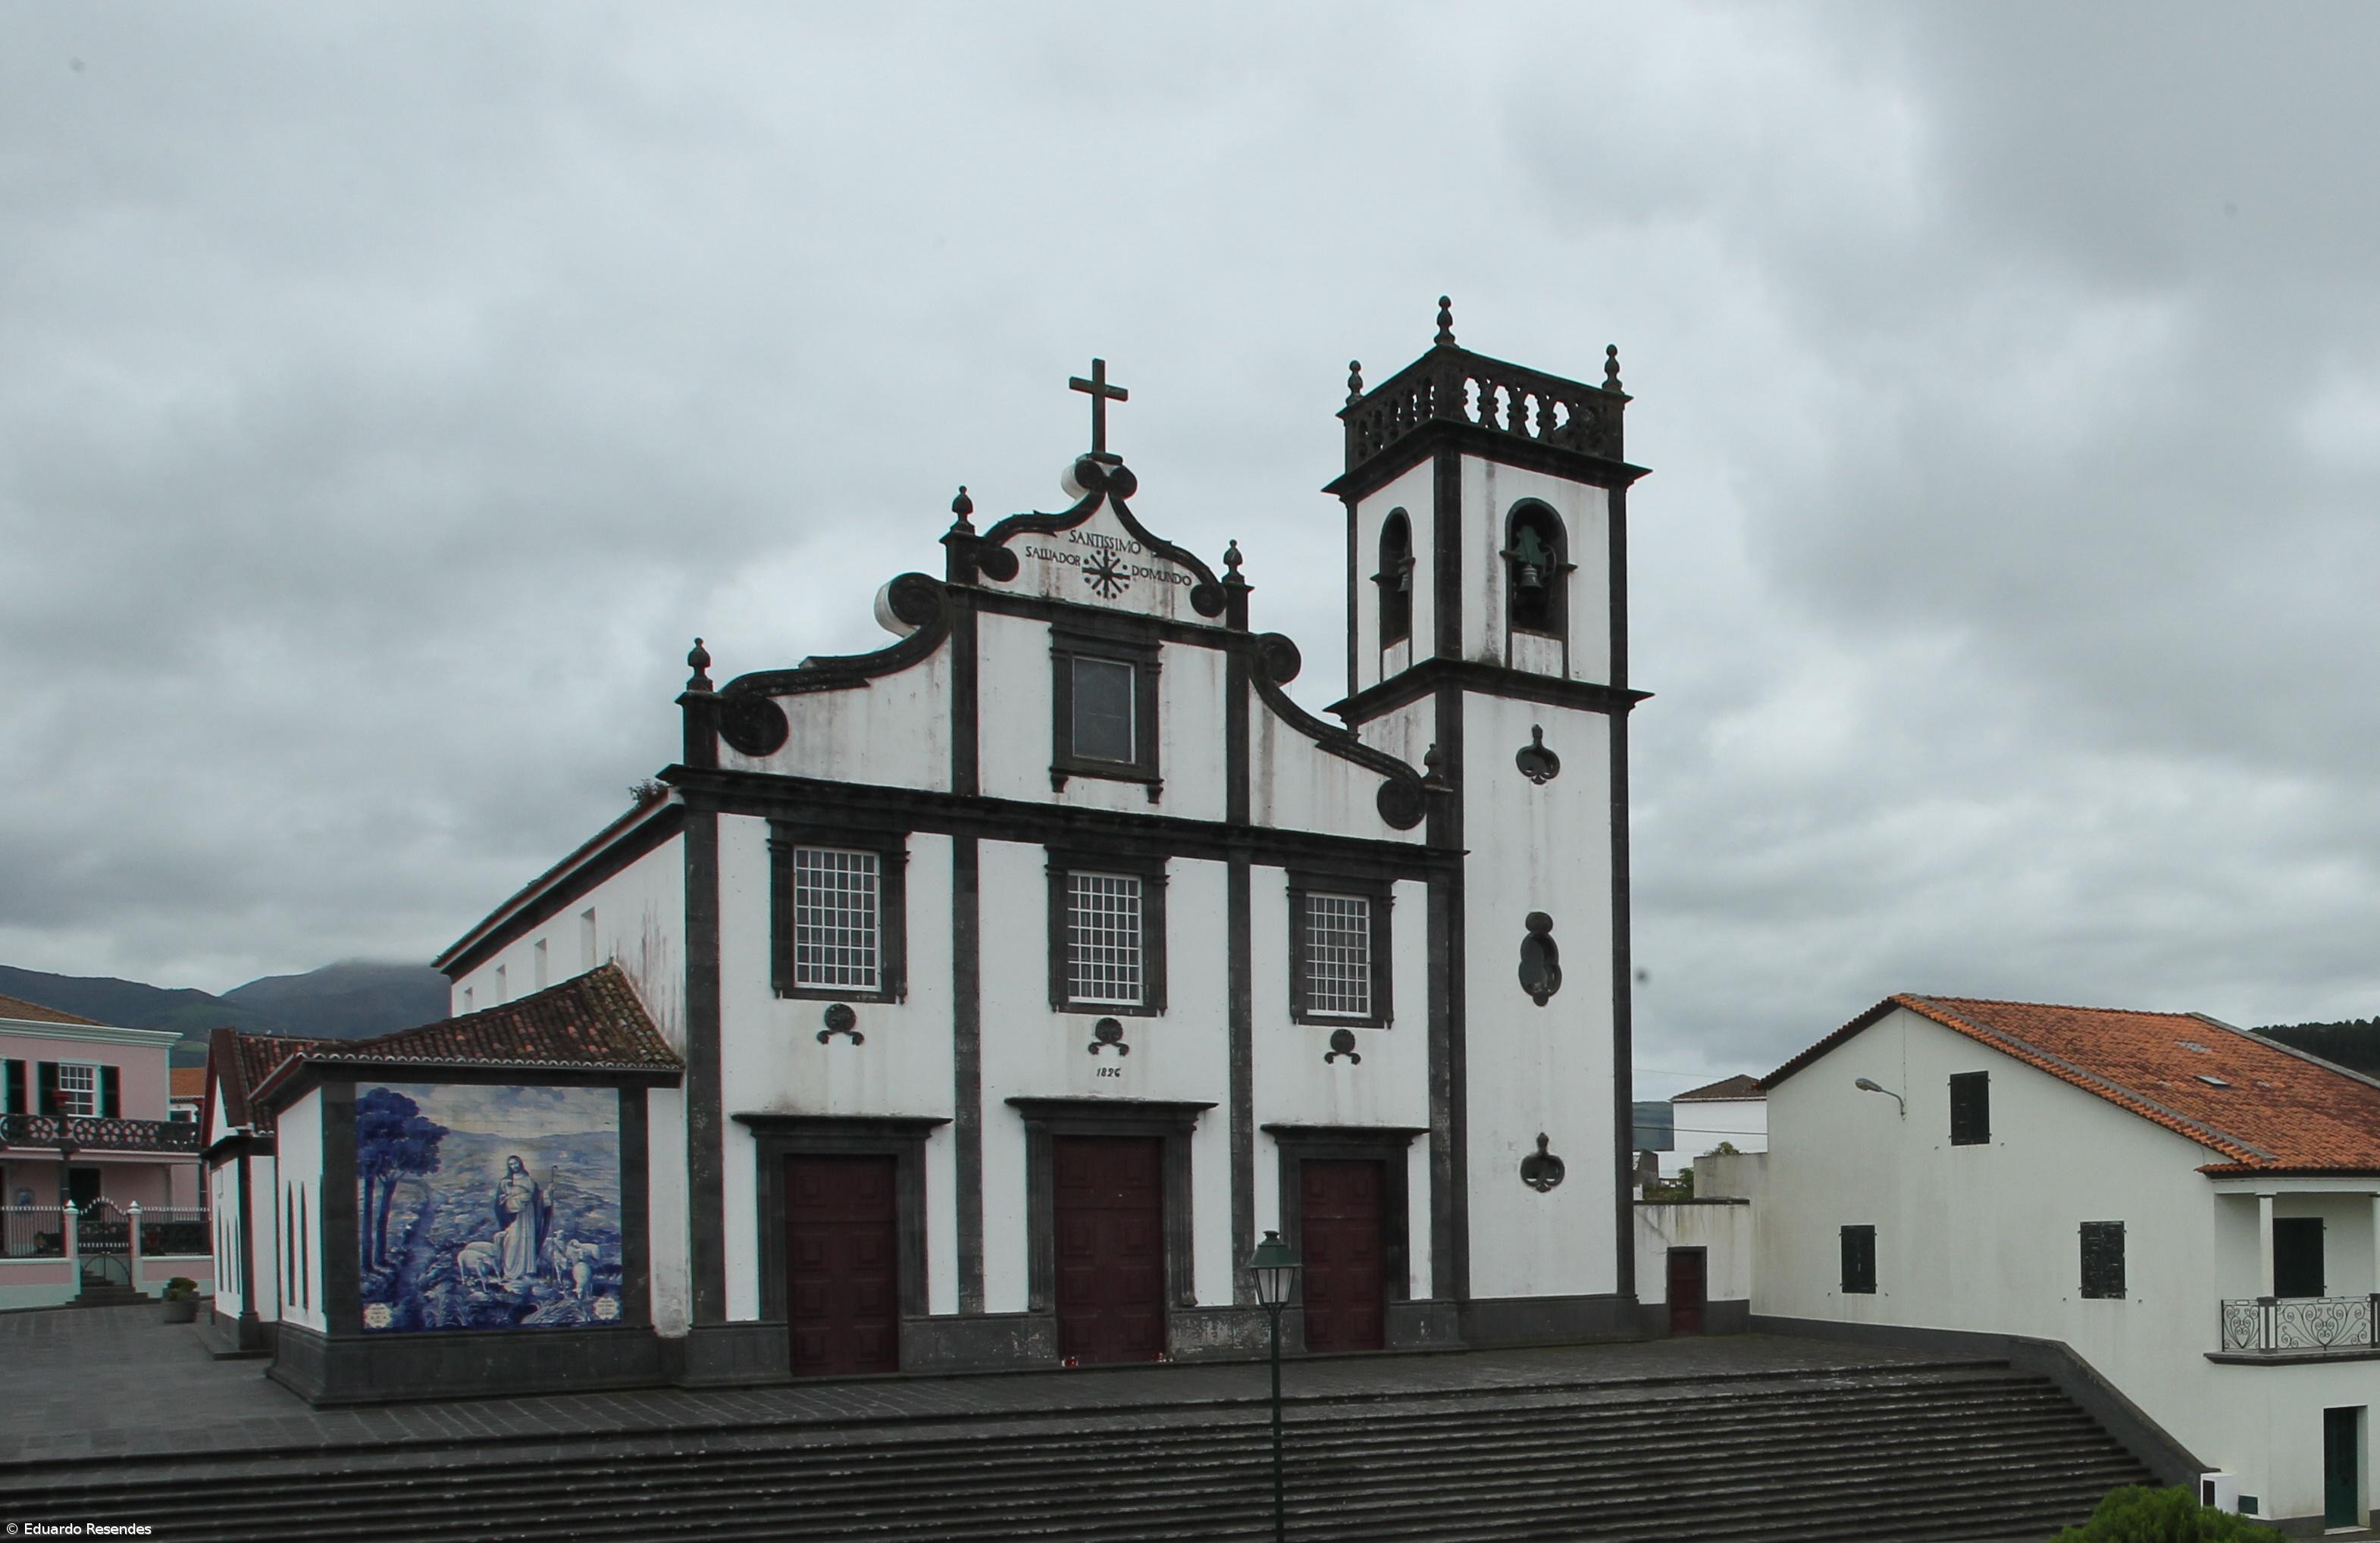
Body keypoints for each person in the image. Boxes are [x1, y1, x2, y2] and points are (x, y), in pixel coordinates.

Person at [492, 1156, 550, 1285]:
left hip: (528, 1214)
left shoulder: (529, 1180)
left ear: (520, 1163)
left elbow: (537, 1198)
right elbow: (499, 1202)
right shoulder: (507, 1181)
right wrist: (512, 1202)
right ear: (509, 1167)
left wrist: (546, 1196)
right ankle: (510, 1272)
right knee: (512, 1241)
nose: (514, 1166)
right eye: (511, 1164)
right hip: (514, 1215)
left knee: (527, 1241)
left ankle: (526, 1271)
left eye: (516, 1163)